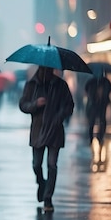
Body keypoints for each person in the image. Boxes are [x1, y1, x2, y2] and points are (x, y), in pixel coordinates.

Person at [19, 66, 74, 212]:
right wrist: (35, 104)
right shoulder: (32, 85)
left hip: (55, 130)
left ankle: (48, 198)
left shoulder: (61, 86)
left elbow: (69, 106)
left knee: (52, 165)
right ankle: (42, 184)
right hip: (38, 130)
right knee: (36, 164)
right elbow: (23, 105)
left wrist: (59, 116)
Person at [84, 74, 111, 161]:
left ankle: (100, 137)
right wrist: (93, 95)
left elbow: (109, 89)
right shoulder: (92, 82)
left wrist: (104, 94)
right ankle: (91, 138)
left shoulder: (105, 82)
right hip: (94, 103)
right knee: (92, 122)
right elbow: (87, 89)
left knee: (102, 121)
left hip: (102, 104)